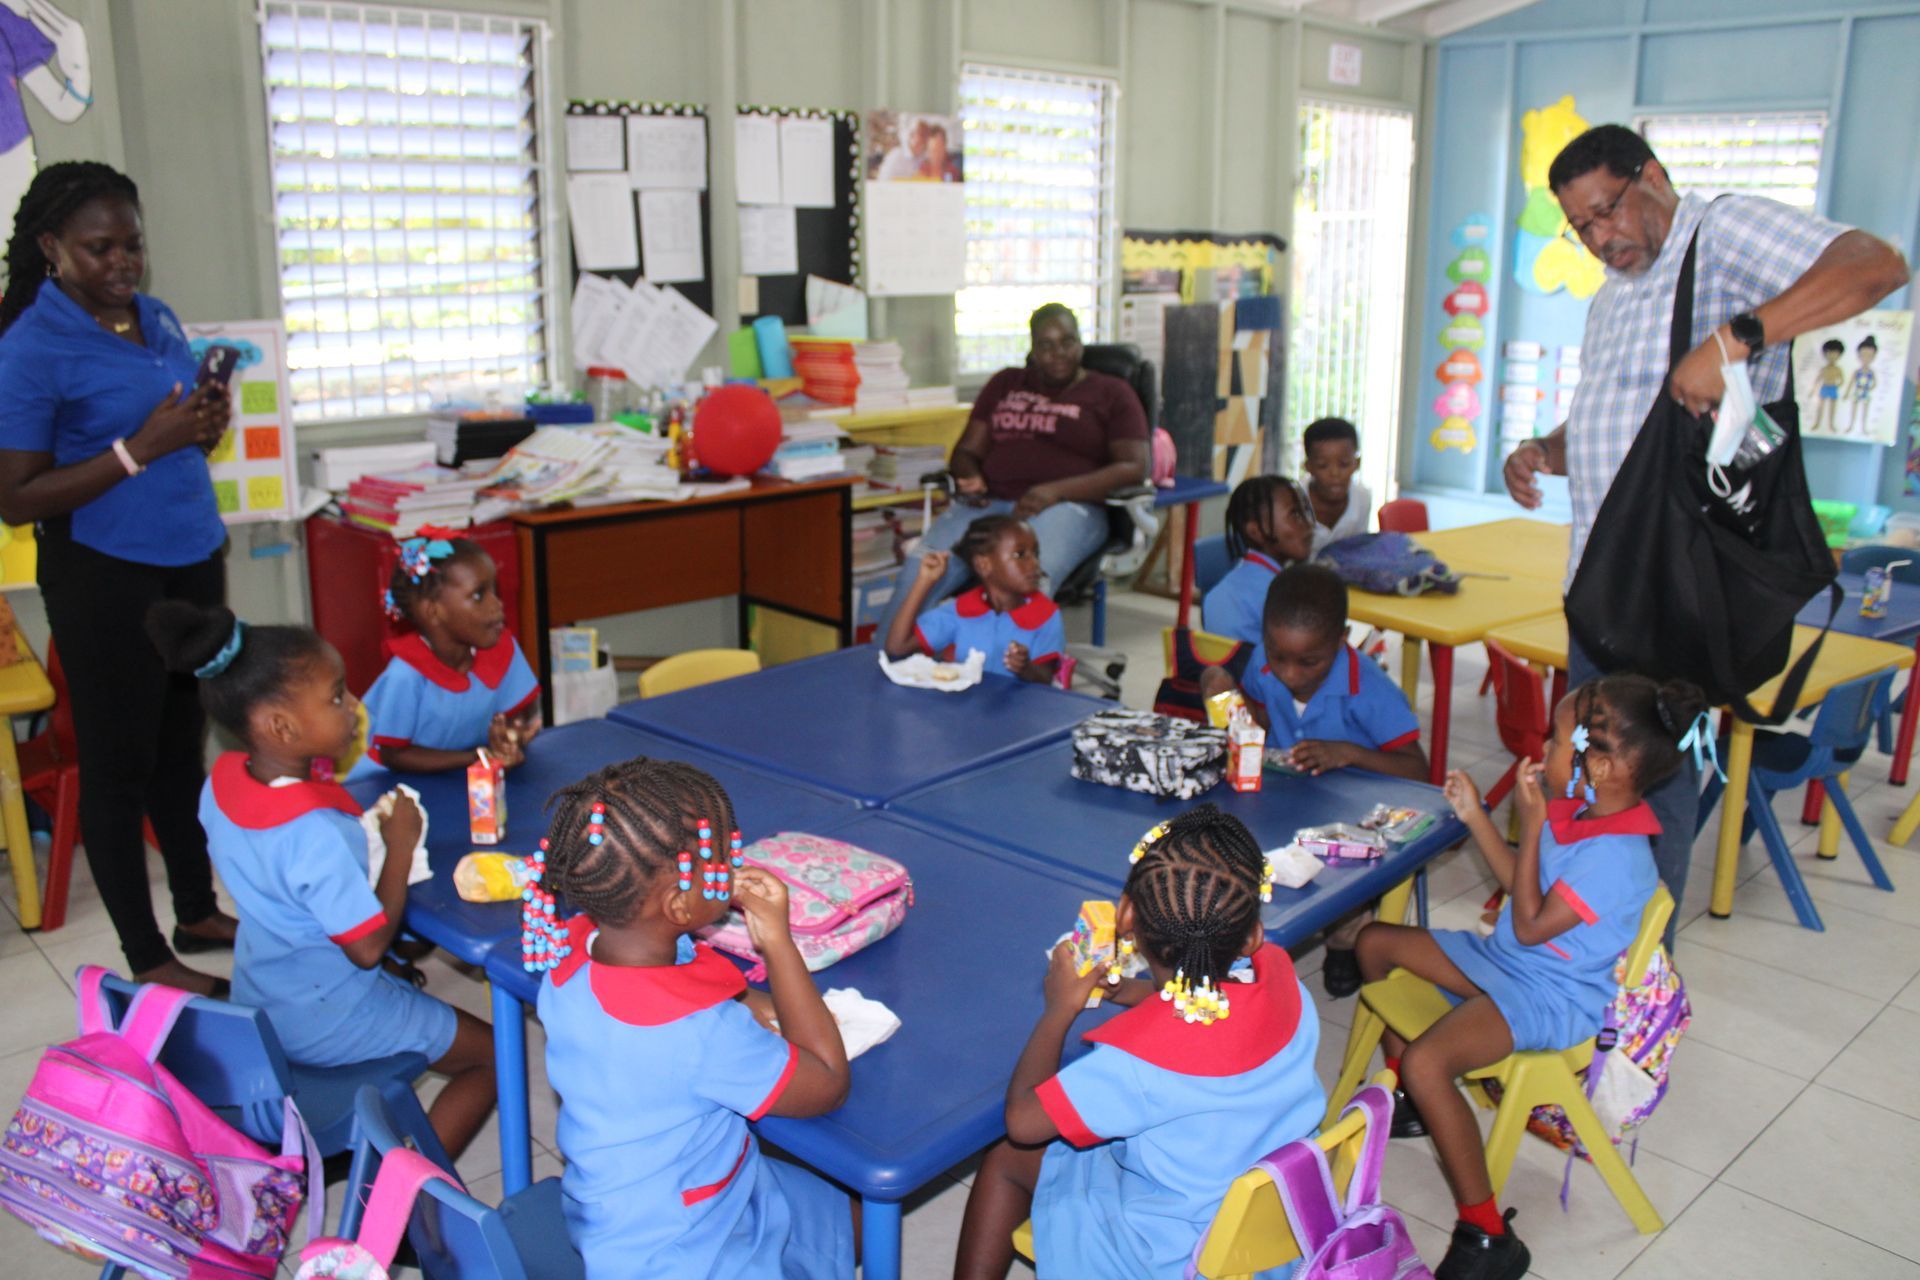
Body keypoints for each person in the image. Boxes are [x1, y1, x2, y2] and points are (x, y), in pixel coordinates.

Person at [1500, 124, 1906, 946]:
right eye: (1581, 227)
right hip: (1605, 587)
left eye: (1609, 210)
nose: (1600, 238)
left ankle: (1637, 976)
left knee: (1647, 786)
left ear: (1653, 176)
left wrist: (1733, 340)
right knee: (1587, 777)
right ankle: (1579, 951)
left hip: (1674, 584)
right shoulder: (1612, 298)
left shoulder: (1716, 236)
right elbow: (1616, 420)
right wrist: (1547, 448)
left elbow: (1877, 265)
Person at [1355, 674, 1701, 1280]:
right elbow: (1523, 883)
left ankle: (1488, 1235)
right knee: (1375, 944)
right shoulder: (1583, 810)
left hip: (1551, 995)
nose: (1544, 751)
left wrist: (1534, 822)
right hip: (1509, 962)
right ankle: (1416, 1104)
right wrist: (1477, 817)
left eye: (1558, 741)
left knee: (1429, 1061)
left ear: (1603, 766)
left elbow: (1532, 922)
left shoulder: (1617, 858)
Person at [0, 162, 239, 995]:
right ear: (52, 247)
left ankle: (197, 910)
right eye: (99, 248)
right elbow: (15, 496)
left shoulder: (155, 315)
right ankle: (148, 958)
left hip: (190, 554)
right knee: (119, 764)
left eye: (131, 244)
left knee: (181, 745)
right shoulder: (30, 348)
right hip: (105, 576)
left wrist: (201, 425)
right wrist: (141, 447)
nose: (121, 263)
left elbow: (174, 432)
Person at [147, 601, 497, 1156]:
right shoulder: (315, 832)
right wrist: (400, 845)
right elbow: (367, 947)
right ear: (281, 727)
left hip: (265, 998)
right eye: (336, 697)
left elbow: (286, 878)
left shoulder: (223, 783)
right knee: (493, 1057)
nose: (355, 705)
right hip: (329, 1017)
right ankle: (408, 1194)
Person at [953, 805, 1322, 1280]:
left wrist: (1058, 1010)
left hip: (1173, 1253)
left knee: (1007, 1157)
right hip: (1269, 1231)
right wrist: (1130, 991)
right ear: (1252, 936)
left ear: (1126, 915)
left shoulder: (1137, 1064)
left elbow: (1023, 1121)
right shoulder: (1285, 983)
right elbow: (1213, 1007)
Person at [533, 758, 854, 1279]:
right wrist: (776, 941)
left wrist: (753, 1002)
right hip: (691, 1252)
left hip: (615, 1217)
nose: (733, 864)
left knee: (834, 1212)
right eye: (720, 858)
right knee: (854, 1212)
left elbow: (689, 985)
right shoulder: (702, 1036)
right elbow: (828, 1083)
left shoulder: (573, 959)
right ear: (680, 906)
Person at [1199, 564, 1427, 999]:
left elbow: (1418, 771)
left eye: (1309, 661)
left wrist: (1349, 753)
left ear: (1342, 639)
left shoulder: (1370, 690)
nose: (1290, 673)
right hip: (1284, 800)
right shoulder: (1264, 663)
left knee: (1340, 887)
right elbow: (1259, 718)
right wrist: (1227, 696)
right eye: (1278, 656)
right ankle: (1242, 935)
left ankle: (1344, 939)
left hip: (1352, 818)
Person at [884, 303, 1148, 627]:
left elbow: (1134, 466)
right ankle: (889, 654)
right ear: (1032, 350)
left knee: (1022, 579)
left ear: (1080, 343)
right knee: (921, 569)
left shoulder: (1112, 393)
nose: (1059, 354)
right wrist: (969, 474)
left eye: (1067, 342)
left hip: (1068, 507)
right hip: (989, 505)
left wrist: (1054, 491)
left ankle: (1008, 659)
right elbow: (966, 451)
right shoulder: (1006, 383)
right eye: (1046, 345)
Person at [351, 531, 540, 778]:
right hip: (386, 780)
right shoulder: (405, 674)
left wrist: (514, 734)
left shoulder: (501, 649)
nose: (497, 604)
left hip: (459, 774)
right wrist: (479, 757)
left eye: (495, 591)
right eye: (478, 595)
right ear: (433, 612)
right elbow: (393, 754)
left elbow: (520, 711)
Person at [885, 514, 1064, 682]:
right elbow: (897, 647)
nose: (1034, 564)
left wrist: (1025, 668)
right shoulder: (961, 611)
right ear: (983, 564)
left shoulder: (1045, 614)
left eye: (1036, 554)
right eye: (1020, 555)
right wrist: (924, 582)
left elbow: (1046, 677)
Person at [1202, 473, 1314, 643]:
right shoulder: (1283, 597)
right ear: (1256, 532)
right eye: (1295, 515)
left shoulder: (1220, 592)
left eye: (1306, 511)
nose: (1309, 524)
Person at [1301, 417, 1372, 554]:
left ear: (1356, 464)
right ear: (1308, 466)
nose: (1335, 473)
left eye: (1344, 464)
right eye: (1322, 466)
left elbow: (1359, 550)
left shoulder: (1362, 498)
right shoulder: (1292, 502)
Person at [873, 114, 928, 180]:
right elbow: (883, 181)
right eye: (921, 134)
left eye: (926, 135)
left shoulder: (924, 158)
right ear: (911, 135)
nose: (924, 140)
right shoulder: (895, 156)